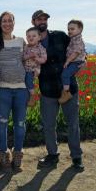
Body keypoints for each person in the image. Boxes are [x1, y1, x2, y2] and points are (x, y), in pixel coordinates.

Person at [31, 9, 84, 171]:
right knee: (48, 125)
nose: (42, 21)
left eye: (44, 19)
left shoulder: (60, 36)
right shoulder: (32, 42)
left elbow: (78, 46)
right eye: (39, 19)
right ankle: (52, 155)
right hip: (47, 90)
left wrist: (84, 59)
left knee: (73, 124)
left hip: (68, 90)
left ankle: (76, 156)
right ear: (33, 22)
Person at [0, 11, 29, 171]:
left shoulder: (21, 41)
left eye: (10, 21)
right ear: (0, 24)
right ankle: (4, 157)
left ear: (14, 23)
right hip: (2, 90)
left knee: (20, 125)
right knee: (1, 125)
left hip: (21, 90)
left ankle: (17, 156)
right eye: (4, 21)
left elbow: (29, 61)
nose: (7, 24)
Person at [59, 19, 86, 104]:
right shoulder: (73, 38)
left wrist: (68, 61)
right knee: (65, 74)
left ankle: (66, 93)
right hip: (75, 61)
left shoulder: (78, 40)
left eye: (72, 29)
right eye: (68, 29)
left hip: (76, 62)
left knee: (65, 74)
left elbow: (76, 52)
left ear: (80, 29)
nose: (70, 31)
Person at [22, 27, 47, 107]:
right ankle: (27, 96)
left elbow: (44, 59)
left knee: (28, 81)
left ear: (39, 37)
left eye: (33, 36)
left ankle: (33, 96)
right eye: (28, 36)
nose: (31, 38)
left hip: (33, 69)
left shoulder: (41, 48)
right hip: (24, 69)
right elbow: (22, 58)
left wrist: (36, 58)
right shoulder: (26, 47)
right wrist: (28, 56)